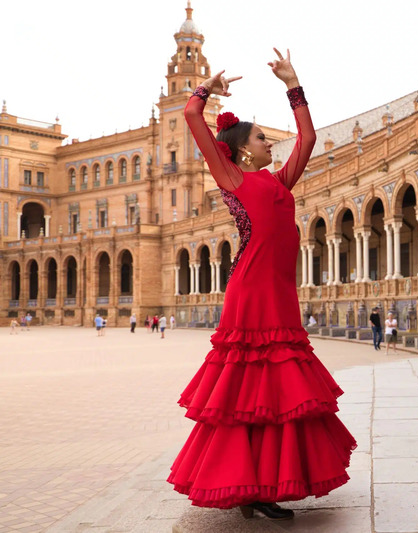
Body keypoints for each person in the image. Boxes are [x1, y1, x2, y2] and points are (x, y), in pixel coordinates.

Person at [168, 50, 355, 521]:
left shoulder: (280, 181)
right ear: (243, 148)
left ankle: (262, 485)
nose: (270, 143)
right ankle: (250, 487)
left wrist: (294, 85)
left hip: (280, 295)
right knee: (246, 390)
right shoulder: (230, 176)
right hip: (250, 292)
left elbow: (308, 137)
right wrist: (206, 89)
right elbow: (192, 116)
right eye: (262, 137)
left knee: (276, 390)